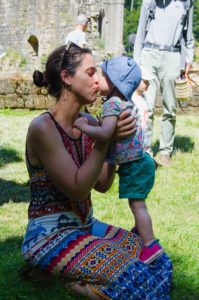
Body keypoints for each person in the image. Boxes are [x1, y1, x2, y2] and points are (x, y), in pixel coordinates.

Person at [21, 42, 172, 299]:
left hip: (86, 226)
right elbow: (78, 190)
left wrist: (116, 144)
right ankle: (70, 281)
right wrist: (105, 140)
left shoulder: (91, 123)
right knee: (138, 278)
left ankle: (59, 271)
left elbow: (102, 184)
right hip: (50, 235)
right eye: (90, 73)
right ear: (67, 78)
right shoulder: (43, 128)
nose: (99, 80)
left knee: (157, 260)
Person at [74, 56, 164, 264]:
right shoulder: (124, 101)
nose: (97, 79)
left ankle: (150, 245)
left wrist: (83, 127)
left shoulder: (112, 104)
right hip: (142, 162)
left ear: (114, 82)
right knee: (138, 205)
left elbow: (105, 134)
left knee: (138, 206)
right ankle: (141, 231)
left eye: (102, 75)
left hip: (135, 165)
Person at [133, 0, 194, 166]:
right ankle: (145, 151)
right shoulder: (149, 2)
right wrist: (136, 61)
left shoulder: (186, 3)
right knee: (146, 106)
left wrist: (189, 58)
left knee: (170, 107)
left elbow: (188, 35)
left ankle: (165, 151)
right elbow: (140, 32)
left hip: (172, 56)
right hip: (148, 54)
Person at [132, 66, 155, 151]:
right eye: (145, 82)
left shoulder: (142, 97)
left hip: (143, 133)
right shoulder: (132, 99)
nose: (148, 84)